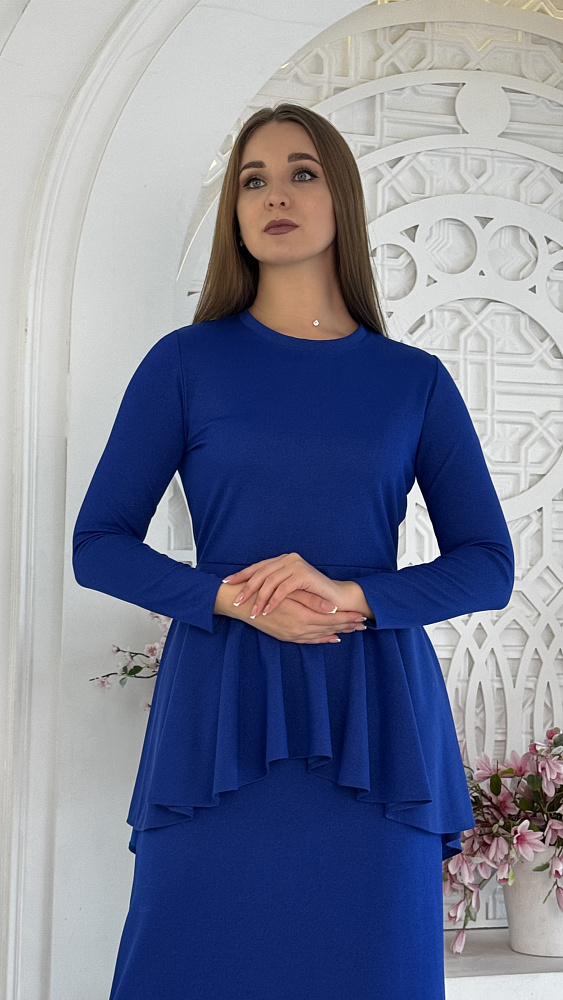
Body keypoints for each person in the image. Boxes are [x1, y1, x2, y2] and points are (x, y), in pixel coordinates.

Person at [72, 102, 514, 1000]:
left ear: (339, 196)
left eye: (301, 172)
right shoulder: (184, 363)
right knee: (188, 963)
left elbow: (487, 562)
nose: (275, 194)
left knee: (369, 969)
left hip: (376, 727)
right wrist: (232, 599)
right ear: (234, 214)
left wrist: (354, 596)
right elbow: (98, 545)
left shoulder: (413, 381)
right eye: (253, 180)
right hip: (219, 715)